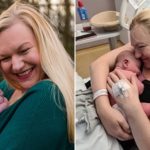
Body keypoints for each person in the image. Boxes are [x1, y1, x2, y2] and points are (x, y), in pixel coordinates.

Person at [0, 2, 74, 150]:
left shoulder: (46, 96)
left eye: (24, 50)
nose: (16, 65)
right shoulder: (8, 89)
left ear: (45, 45)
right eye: (5, 58)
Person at [90, 8, 150, 150]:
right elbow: (97, 65)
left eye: (141, 47)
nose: (135, 55)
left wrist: (132, 107)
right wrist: (104, 109)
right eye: (134, 47)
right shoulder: (139, 41)